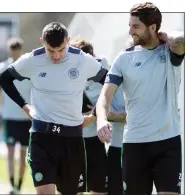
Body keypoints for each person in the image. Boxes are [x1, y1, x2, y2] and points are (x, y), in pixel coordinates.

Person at [0, 22, 108, 195]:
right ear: (42, 42)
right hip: (42, 138)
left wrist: (95, 115)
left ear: (68, 41)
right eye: (51, 51)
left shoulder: (82, 60)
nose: (56, 56)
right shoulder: (32, 59)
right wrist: (26, 107)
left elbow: (109, 83)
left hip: (72, 139)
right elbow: (4, 79)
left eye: (61, 50)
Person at [96, 2, 184, 195]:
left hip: (167, 142)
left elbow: (181, 40)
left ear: (152, 27)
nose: (130, 31)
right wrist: (101, 119)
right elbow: (105, 96)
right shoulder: (123, 59)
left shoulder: (169, 52)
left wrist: (161, 35)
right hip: (135, 144)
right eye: (130, 25)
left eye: (135, 26)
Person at [70, 39, 126, 195]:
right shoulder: (69, 74)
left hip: (97, 141)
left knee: (99, 189)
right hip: (74, 141)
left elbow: (123, 112)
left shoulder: (104, 69)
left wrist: (97, 112)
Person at [0, 37, 31, 195]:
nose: (14, 53)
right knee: (9, 152)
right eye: (12, 50)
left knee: (22, 155)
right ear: (9, 51)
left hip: (25, 117)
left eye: (16, 50)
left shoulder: (27, 66)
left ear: (20, 50)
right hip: (9, 116)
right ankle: (11, 184)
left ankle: (18, 186)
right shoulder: (2, 67)